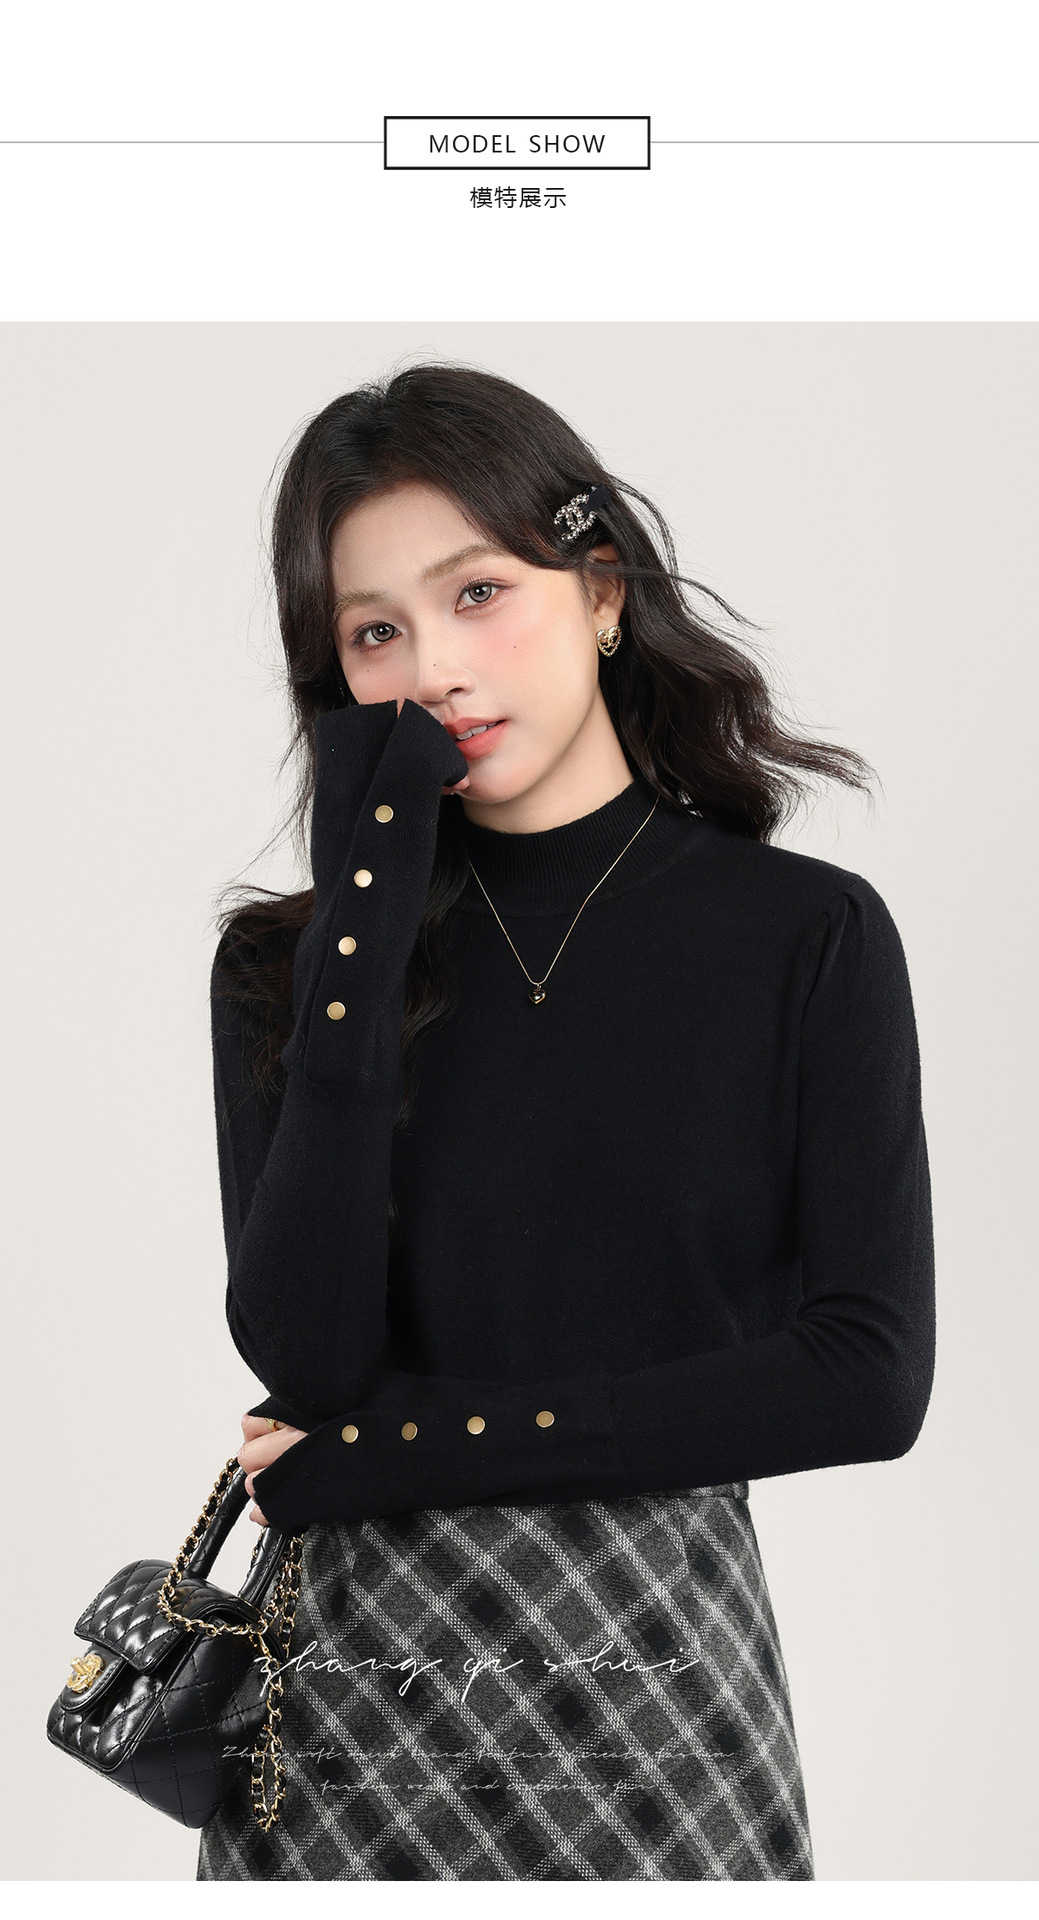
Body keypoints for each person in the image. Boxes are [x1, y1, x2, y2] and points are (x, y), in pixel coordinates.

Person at [195, 362, 935, 1882]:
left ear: (601, 593)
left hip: (660, 1678)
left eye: (479, 594)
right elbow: (307, 1357)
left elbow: (866, 1380)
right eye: (376, 634)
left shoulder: (804, 935)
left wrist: (412, 1445)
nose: (435, 672)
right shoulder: (289, 965)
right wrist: (359, 931)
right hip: (348, 1706)